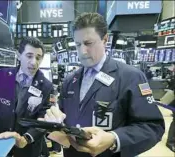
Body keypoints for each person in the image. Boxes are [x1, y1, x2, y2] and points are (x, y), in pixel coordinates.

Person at [41, 13, 165, 157]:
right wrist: (53, 118)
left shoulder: (130, 77)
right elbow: (61, 116)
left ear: (105, 39)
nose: (82, 51)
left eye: (88, 43)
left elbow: (153, 127)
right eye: (78, 44)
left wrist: (114, 138)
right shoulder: (70, 80)